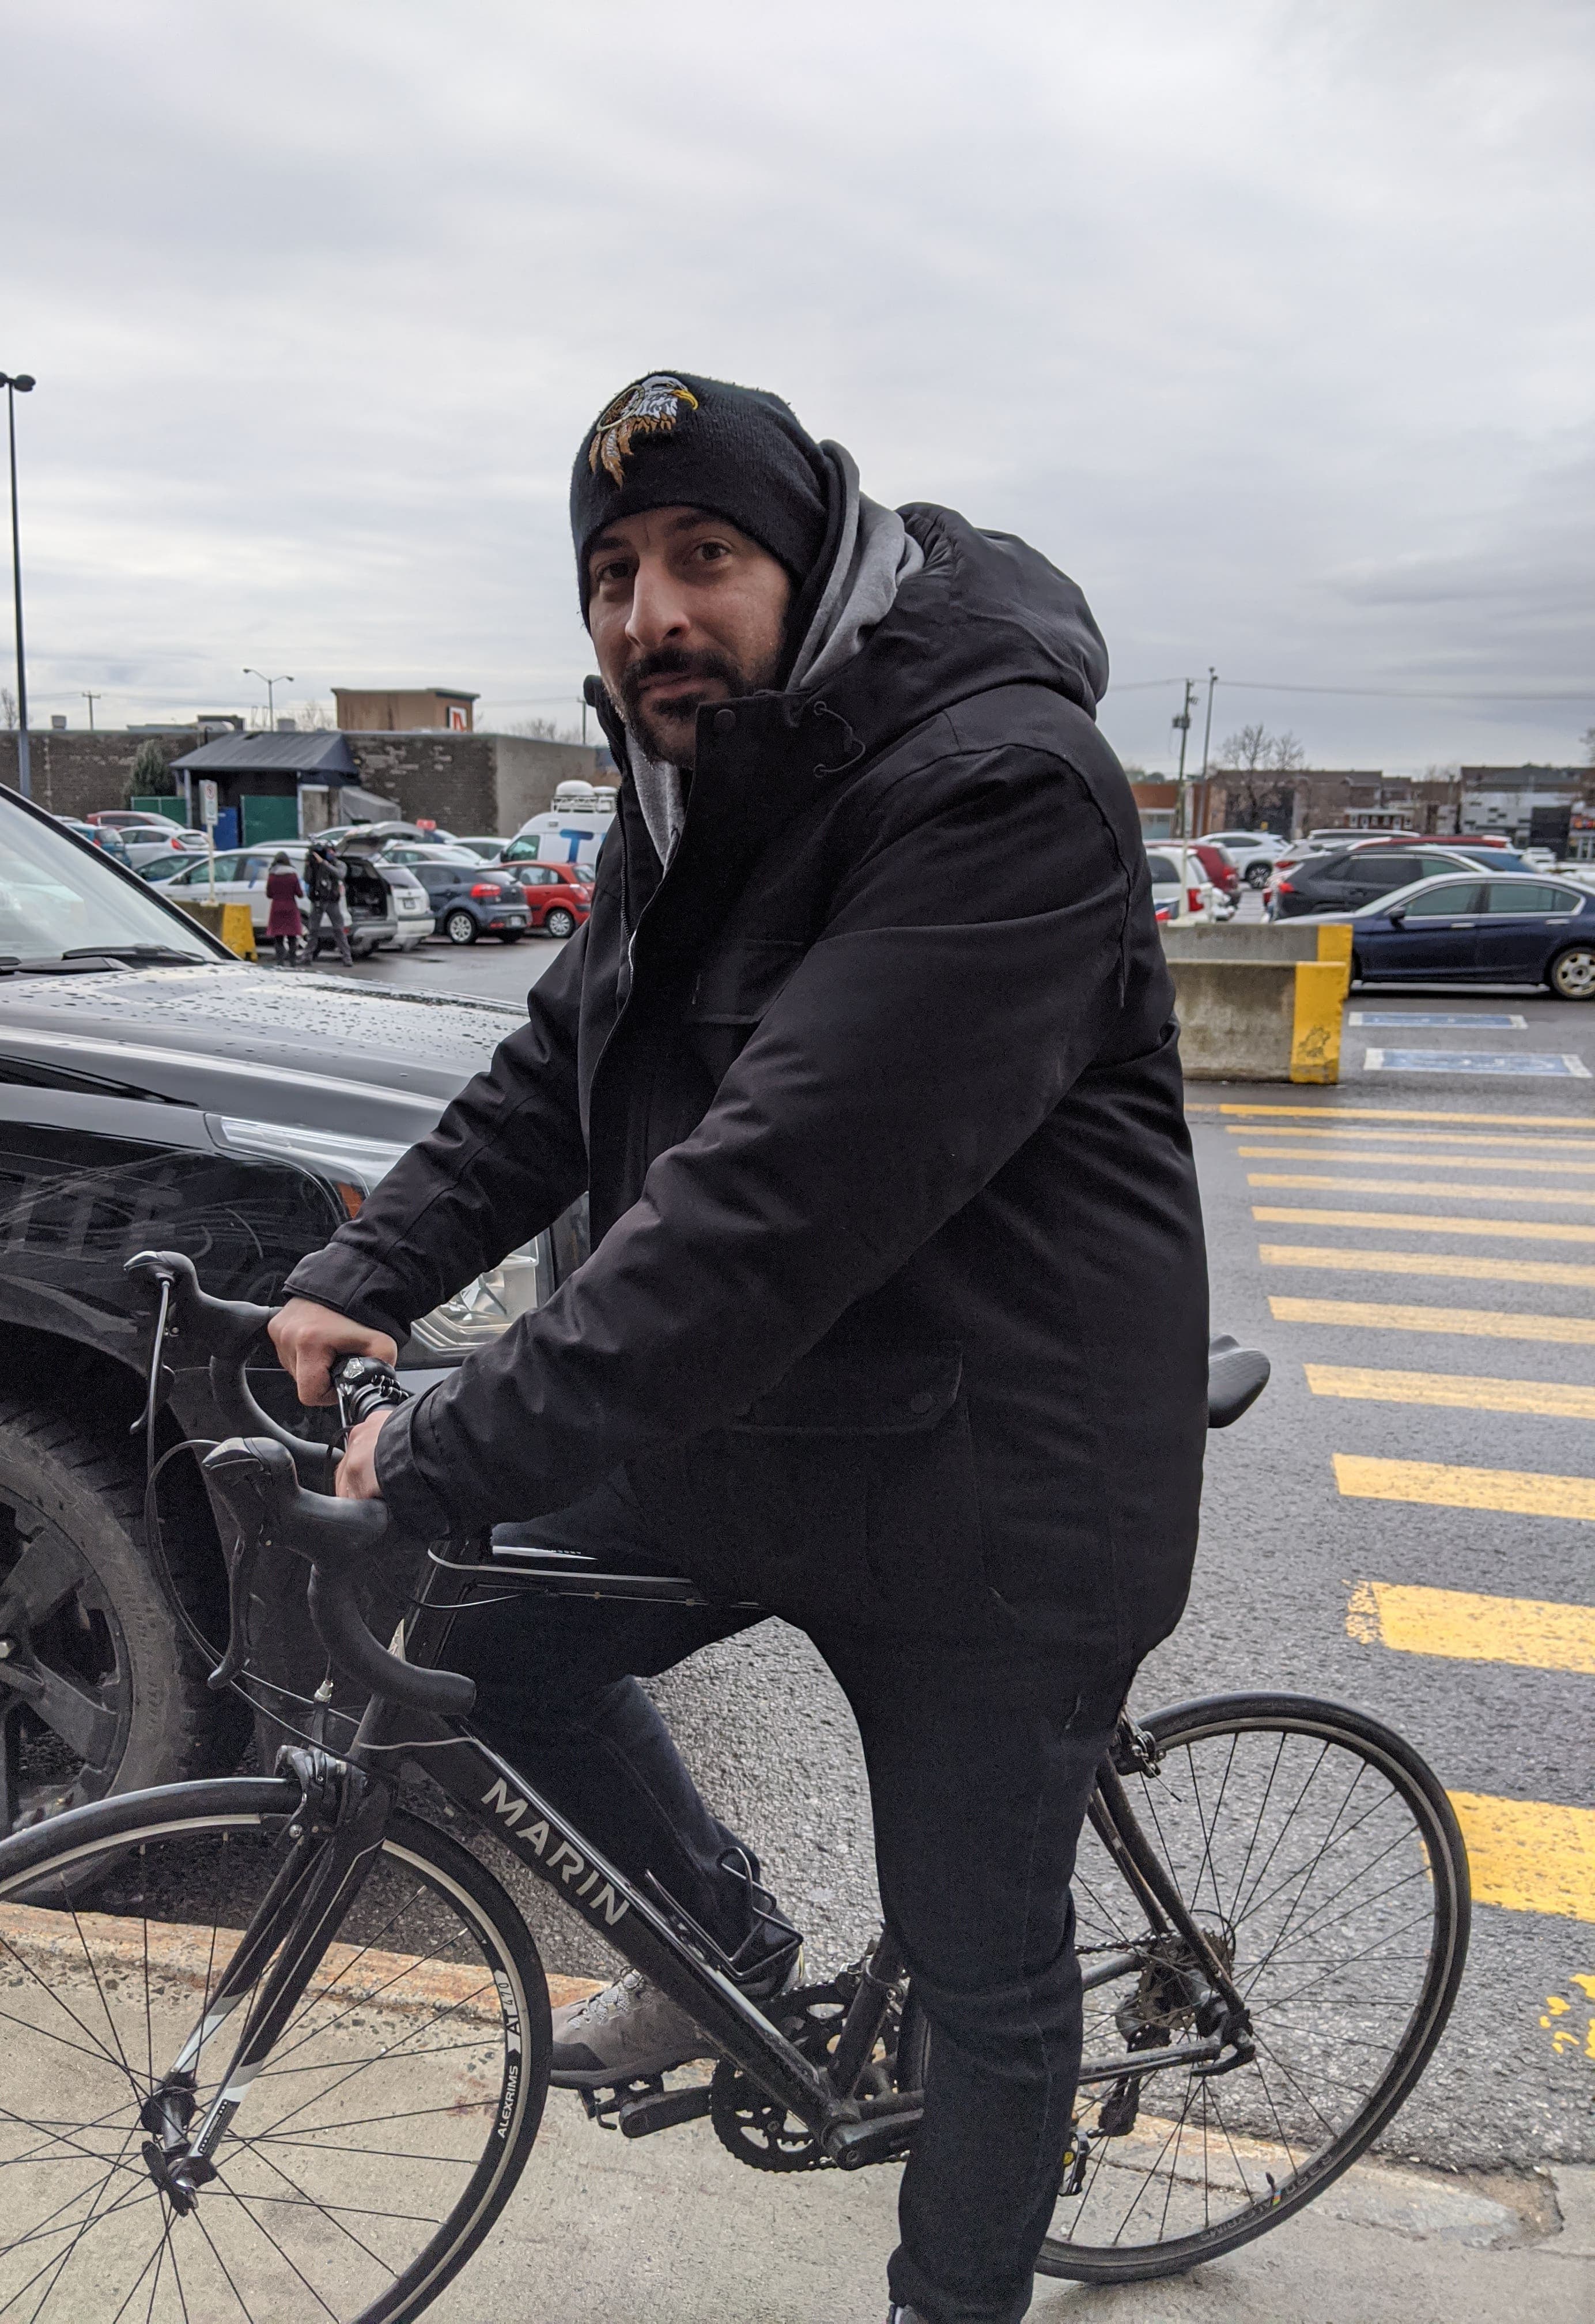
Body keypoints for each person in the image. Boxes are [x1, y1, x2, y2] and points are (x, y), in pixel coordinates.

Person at [270, 372, 1208, 2324]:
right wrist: (365, 1275)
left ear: (815, 563)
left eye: (703, 558)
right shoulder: (697, 783)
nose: (648, 616)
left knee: (984, 1978)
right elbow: (560, 1064)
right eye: (611, 573)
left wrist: (448, 1445)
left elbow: (769, 1208)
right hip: (781, 1428)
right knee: (478, 1647)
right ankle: (724, 1950)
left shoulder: (996, 788)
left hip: (994, 1489)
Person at [304, 839, 353, 965]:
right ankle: (307, 956)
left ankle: (347, 958)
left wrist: (324, 863)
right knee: (313, 930)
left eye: (331, 851)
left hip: (332, 900)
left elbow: (340, 875)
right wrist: (310, 865)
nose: (330, 853)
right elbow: (308, 879)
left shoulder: (338, 864)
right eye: (328, 851)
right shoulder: (314, 865)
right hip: (318, 900)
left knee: (338, 929)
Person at [263, 850, 304, 966]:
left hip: (277, 908)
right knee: (292, 936)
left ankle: (280, 962)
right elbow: (300, 894)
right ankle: (293, 962)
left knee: (278, 937)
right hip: (291, 907)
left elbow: (269, 894)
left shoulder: (272, 876)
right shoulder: (293, 875)